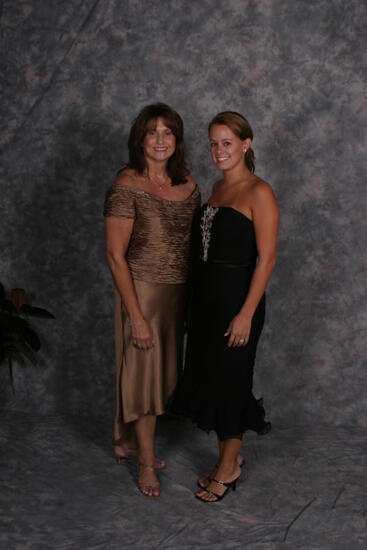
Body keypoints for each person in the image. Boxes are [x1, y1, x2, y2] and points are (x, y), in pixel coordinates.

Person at [174, 111, 279, 502]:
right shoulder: (216, 189)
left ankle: (227, 469)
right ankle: (228, 463)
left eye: (227, 143)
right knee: (213, 381)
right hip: (205, 304)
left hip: (239, 302)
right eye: (214, 143)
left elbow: (266, 259)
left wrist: (246, 313)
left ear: (246, 144)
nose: (219, 151)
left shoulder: (259, 192)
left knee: (233, 382)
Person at [104, 103, 199, 497]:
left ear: (176, 140)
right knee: (144, 379)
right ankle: (145, 461)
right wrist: (136, 317)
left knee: (164, 379)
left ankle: (128, 443)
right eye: (152, 132)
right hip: (140, 294)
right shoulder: (126, 185)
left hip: (177, 296)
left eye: (168, 133)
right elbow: (114, 255)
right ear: (140, 139)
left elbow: (195, 247)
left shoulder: (189, 186)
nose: (160, 140)